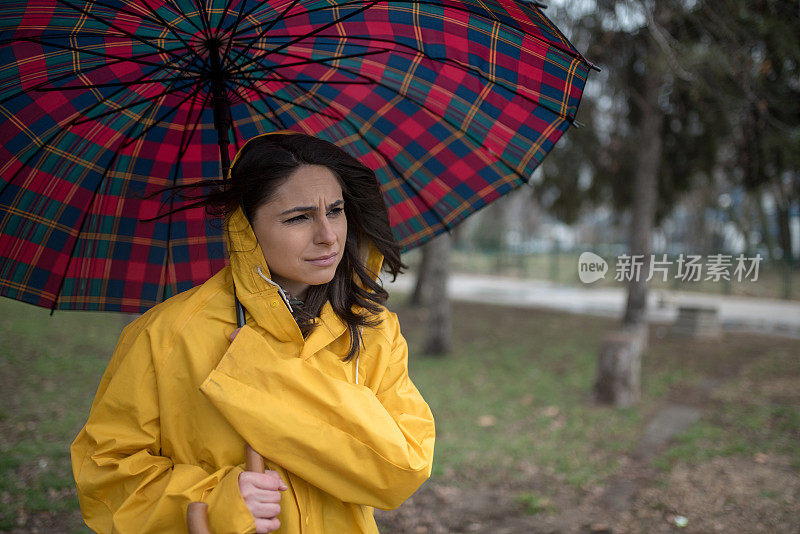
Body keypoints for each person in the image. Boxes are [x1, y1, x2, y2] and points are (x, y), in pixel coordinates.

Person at [71, 132, 436, 533]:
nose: (328, 235)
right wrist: (218, 501)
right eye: (298, 217)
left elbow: (402, 468)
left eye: (335, 210)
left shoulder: (372, 329)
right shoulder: (165, 335)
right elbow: (106, 476)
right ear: (246, 228)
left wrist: (269, 379)